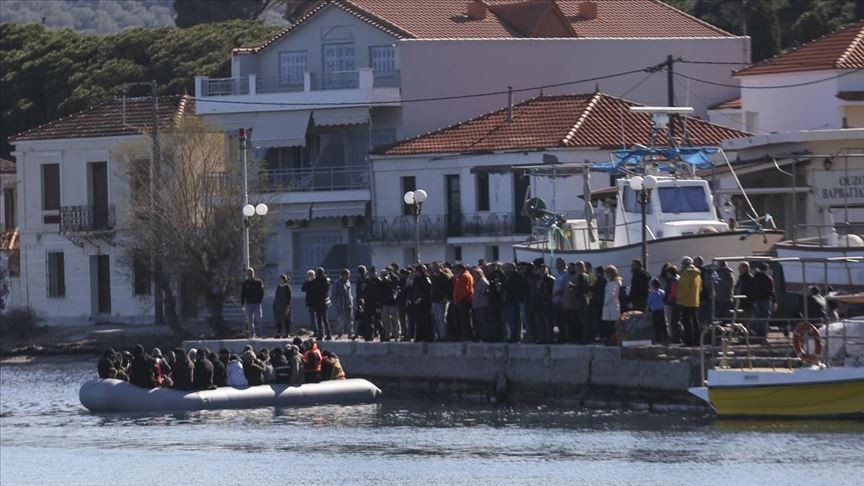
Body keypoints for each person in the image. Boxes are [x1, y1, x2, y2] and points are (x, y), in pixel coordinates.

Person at [677, 257, 703, 347]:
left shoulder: (686, 274)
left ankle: (688, 342)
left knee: (687, 322)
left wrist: (678, 297)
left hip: (686, 301)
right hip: (695, 300)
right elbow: (700, 288)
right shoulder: (698, 274)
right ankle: (697, 341)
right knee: (695, 322)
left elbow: (684, 288)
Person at [531, 264, 555, 344]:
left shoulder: (551, 279)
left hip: (547, 304)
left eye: (543, 269)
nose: (541, 271)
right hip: (537, 304)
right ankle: (541, 338)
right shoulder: (536, 280)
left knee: (548, 322)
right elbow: (533, 292)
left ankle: (549, 339)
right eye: (540, 269)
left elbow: (551, 292)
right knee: (539, 322)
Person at [752, 262, 776, 339]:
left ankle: (758, 333)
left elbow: (753, 289)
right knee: (765, 316)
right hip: (766, 299)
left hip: (757, 299)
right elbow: (772, 290)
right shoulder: (769, 278)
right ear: (766, 269)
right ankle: (763, 334)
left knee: (758, 316)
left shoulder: (755, 277)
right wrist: (774, 301)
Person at [451, 263, 475, 341]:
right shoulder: (461, 276)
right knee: (463, 320)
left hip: (463, 301)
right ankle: (464, 335)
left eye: (458, 269)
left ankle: (467, 336)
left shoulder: (465, 276)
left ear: (462, 269)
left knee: (465, 320)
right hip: (461, 301)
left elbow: (465, 290)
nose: (456, 271)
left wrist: (458, 300)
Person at [412, 265, 435, 342]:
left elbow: (426, 291)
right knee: (418, 321)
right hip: (417, 303)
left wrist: (420, 298)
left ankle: (428, 337)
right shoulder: (416, 280)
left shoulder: (426, 279)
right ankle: (419, 336)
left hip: (425, 303)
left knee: (426, 320)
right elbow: (413, 290)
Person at [430, 262, 453, 341]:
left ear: (440, 267)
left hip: (441, 300)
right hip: (434, 300)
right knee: (437, 319)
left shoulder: (444, 276)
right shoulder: (433, 277)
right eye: (433, 267)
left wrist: (445, 298)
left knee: (442, 318)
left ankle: (444, 335)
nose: (433, 268)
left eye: (435, 267)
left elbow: (449, 289)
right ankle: (440, 335)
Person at [601, 266, 622, 345]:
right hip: (611, 306)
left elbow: (612, 294)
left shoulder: (613, 283)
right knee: (610, 324)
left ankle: (612, 340)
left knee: (611, 325)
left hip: (611, 306)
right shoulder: (611, 282)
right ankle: (610, 340)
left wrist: (606, 302)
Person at [240, 267, 264, 338]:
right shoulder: (245, 283)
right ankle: (252, 334)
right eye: (249, 273)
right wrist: (242, 304)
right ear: (247, 274)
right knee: (250, 320)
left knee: (259, 319)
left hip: (257, 303)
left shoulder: (258, 282)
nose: (250, 274)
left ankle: (262, 333)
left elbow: (261, 292)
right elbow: (243, 294)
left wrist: (259, 300)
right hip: (249, 304)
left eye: (251, 273)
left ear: (254, 273)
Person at [380, 266, 402, 341]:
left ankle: (397, 334)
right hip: (385, 302)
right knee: (386, 320)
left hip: (393, 302)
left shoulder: (395, 278)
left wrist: (389, 279)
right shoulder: (382, 281)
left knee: (395, 319)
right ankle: (387, 335)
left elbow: (395, 287)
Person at [332, 268, 354, 339]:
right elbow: (334, 294)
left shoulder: (348, 282)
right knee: (341, 319)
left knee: (350, 319)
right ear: (343, 275)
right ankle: (339, 334)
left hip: (349, 304)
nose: (349, 276)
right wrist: (336, 303)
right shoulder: (337, 283)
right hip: (341, 305)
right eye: (348, 274)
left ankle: (350, 333)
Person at [472, 267, 492, 342]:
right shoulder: (476, 282)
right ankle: (481, 336)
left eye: (475, 274)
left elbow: (484, 292)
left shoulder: (484, 282)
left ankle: (486, 336)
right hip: (476, 304)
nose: (474, 275)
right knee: (479, 322)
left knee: (484, 321)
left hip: (482, 304)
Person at [663, 265, 681, 343]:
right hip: (677, 302)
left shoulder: (672, 280)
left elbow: (673, 293)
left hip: (672, 303)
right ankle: (676, 337)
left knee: (672, 321)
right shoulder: (678, 278)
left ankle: (675, 338)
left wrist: (667, 299)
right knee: (676, 321)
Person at [648, 279, 668, 344]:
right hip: (662, 310)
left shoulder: (651, 293)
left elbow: (649, 303)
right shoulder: (662, 292)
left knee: (656, 325)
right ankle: (665, 338)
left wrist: (646, 311)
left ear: (653, 285)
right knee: (663, 325)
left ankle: (658, 339)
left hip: (655, 311)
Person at [272, 274, 292, 338]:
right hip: (278, 306)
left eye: (281, 279)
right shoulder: (278, 287)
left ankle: (287, 333)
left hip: (285, 306)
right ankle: (278, 333)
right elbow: (276, 297)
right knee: (278, 320)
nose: (280, 280)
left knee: (286, 319)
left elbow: (289, 298)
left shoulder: (287, 287)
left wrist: (288, 307)